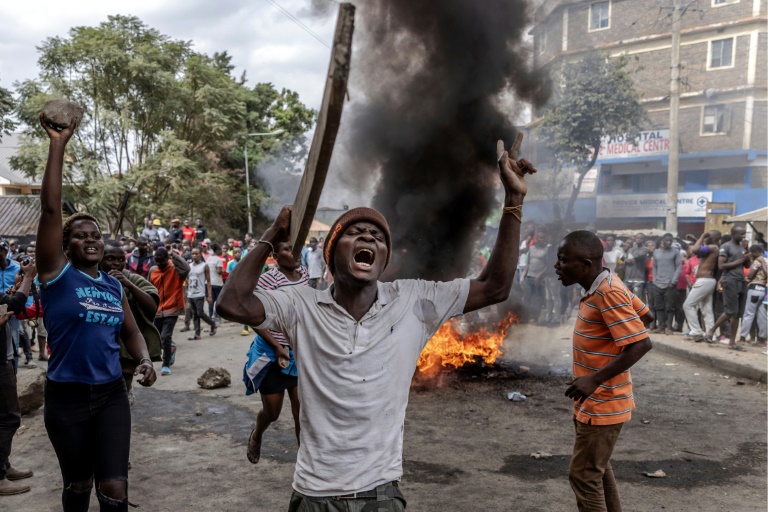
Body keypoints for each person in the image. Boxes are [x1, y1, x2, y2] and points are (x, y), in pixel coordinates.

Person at [217, 135, 535, 510]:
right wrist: (271, 236)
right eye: (354, 232)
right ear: (333, 256)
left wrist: (513, 201)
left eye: (378, 236)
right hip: (314, 494)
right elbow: (231, 304)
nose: (368, 235)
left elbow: (495, 286)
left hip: (380, 495)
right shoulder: (301, 304)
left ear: (383, 261)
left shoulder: (414, 300)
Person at [36, 115, 156, 510]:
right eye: (80, 236)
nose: (91, 240)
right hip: (66, 398)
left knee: (115, 487)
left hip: (110, 396)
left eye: (96, 235)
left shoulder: (113, 285)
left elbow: (131, 330)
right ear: (66, 246)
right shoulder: (55, 275)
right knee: (78, 482)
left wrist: (143, 359)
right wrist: (59, 144)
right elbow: (51, 211)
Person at [554, 230, 653, 512]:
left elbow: (641, 343)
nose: (557, 266)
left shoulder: (607, 292)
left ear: (586, 264)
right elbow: (647, 316)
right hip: (593, 400)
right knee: (596, 470)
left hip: (603, 402)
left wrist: (594, 379)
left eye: (563, 260)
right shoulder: (606, 284)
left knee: (584, 476)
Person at [244, 240, 307, 464]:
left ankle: (306, 465)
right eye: (288, 248)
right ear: (276, 256)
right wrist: (279, 347)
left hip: (298, 354)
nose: (295, 251)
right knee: (272, 413)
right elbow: (253, 318)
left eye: (296, 246)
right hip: (272, 355)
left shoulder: (304, 274)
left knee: (303, 413)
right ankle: (257, 434)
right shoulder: (268, 279)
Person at [100, 241, 162, 393]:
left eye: (121, 259)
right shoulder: (93, 280)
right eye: (110, 259)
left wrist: (129, 285)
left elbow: (152, 306)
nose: (116, 263)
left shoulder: (133, 279)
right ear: (100, 259)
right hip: (101, 347)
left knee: (122, 389)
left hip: (126, 349)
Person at [0, 259, 36, 496]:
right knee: (9, 417)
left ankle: (4, 465)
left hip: (4, 356)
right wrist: (29, 278)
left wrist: (15, 288)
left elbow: (8, 302)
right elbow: (15, 303)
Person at [707, 226, 751, 350]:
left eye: (744, 234)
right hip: (730, 281)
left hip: (741, 281)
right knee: (730, 311)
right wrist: (740, 260)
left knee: (737, 314)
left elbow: (747, 265)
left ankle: (732, 342)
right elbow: (721, 265)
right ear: (733, 234)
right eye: (741, 234)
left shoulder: (742, 247)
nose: (743, 236)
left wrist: (746, 252)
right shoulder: (726, 246)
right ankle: (711, 330)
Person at [149, 247, 190, 375]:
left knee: (165, 337)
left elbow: (186, 268)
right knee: (157, 337)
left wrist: (174, 255)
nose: (159, 263)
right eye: (156, 261)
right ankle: (170, 349)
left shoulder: (175, 269)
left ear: (167, 259)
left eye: (161, 260)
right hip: (157, 309)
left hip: (173, 308)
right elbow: (148, 287)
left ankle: (166, 364)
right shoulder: (153, 270)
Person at [683, 230, 721, 342]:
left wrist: (702, 235)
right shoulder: (713, 248)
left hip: (704, 281)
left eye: (709, 236)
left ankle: (696, 331)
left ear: (713, 238)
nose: (706, 237)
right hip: (708, 281)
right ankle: (710, 334)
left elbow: (695, 250)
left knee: (688, 305)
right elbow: (700, 251)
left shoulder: (713, 247)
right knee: (707, 309)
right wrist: (696, 240)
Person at [650, 234, 682, 335]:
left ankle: (669, 327)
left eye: (671, 241)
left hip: (670, 284)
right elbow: (654, 267)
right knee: (658, 306)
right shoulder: (656, 252)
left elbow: (679, 267)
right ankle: (661, 327)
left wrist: (674, 281)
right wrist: (655, 280)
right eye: (667, 240)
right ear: (662, 240)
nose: (669, 242)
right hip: (657, 283)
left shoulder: (675, 252)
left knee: (670, 307)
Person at [186, 248, 216, 340]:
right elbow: (187, 278)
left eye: (196, 254)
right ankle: (197, 334)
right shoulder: (189, 266)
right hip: (191, 293)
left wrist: (209, 295)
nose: (195, 255)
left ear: (200, 254)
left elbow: (209, 281)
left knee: (200, 312)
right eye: (193, 254)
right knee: (195, 314)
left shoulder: (204, 266)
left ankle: (213, 324)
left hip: (200, 293)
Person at [741, 245, 767, 344]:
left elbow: (750, 275)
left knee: (748, 314)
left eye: (752, 253)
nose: (751, 255)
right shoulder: (767, 260)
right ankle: (762, 339)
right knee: (762, 315)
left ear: (755, 252)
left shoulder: (757, 261)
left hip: (754, 289)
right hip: (762, 290)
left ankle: (742, 337)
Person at [206, 244, 225, 322]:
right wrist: (224, 271)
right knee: (219, 301)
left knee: (211, 301)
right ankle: (217, 315)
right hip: (217, 283)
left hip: (209, 283)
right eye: (220, 250)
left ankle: (210, 317)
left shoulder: (208, 259)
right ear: (217, 250)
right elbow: (219, 271)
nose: (221, 251)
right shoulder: (218, 259)